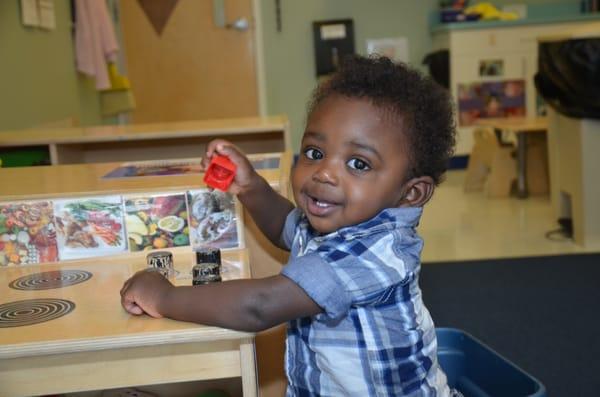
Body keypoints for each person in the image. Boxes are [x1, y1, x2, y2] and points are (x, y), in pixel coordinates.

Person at [121, 55, 457, 396]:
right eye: (314, 152)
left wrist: (163, 296)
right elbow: (285, 224)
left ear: (411, 193)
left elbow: (259, 306)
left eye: (358, 163)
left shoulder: (373, 254)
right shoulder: (340, 223)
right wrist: (251, 187)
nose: (324, 172)